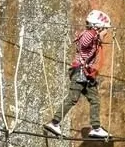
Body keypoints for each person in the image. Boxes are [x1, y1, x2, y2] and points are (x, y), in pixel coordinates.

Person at [44, 9, 112, 139]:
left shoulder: (95, 39)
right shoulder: (88, 34)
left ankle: (96, 128)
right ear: (97, 27)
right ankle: (55, 122)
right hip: (79, 72)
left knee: (95, 100)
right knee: (73, 98)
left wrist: (98, 36)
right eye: (104, 29)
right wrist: (94, 32)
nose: (106, 32)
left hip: (86, 74)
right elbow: (84, 42)